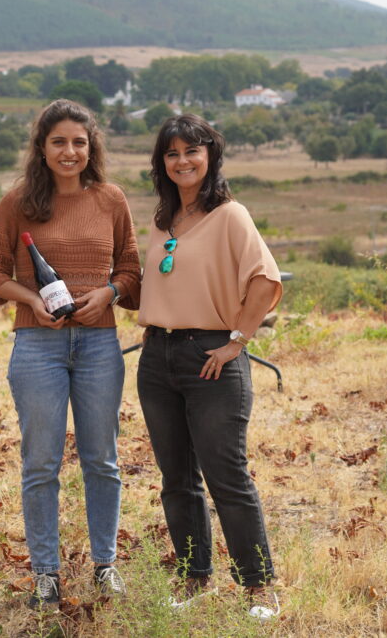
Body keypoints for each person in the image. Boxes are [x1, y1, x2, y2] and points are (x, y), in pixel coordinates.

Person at [0, 99, 141, 609]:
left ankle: (104, 565)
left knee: (103, 461)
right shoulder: (18, 202)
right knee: (41, 463)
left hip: (98, 345)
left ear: (92, 149)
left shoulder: (111, 199)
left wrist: (108, 295)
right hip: (37, 346)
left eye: (79, 142)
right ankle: (46, 573)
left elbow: (131, 268)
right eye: (59, 142)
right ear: (42, 148)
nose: (70, 152)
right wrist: (29, 300)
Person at [137, 113, 282, 621]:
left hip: (211, 358)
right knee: (176, 477)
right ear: (162, 164)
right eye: (172, 153)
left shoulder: (231, 215)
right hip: (157, 359)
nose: (182, 161)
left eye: (192, 151)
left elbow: (263, 282)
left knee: (226, 475)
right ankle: (195, 576)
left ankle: (260, 587)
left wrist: (237, 341)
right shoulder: (161, 222)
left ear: (210, 157)